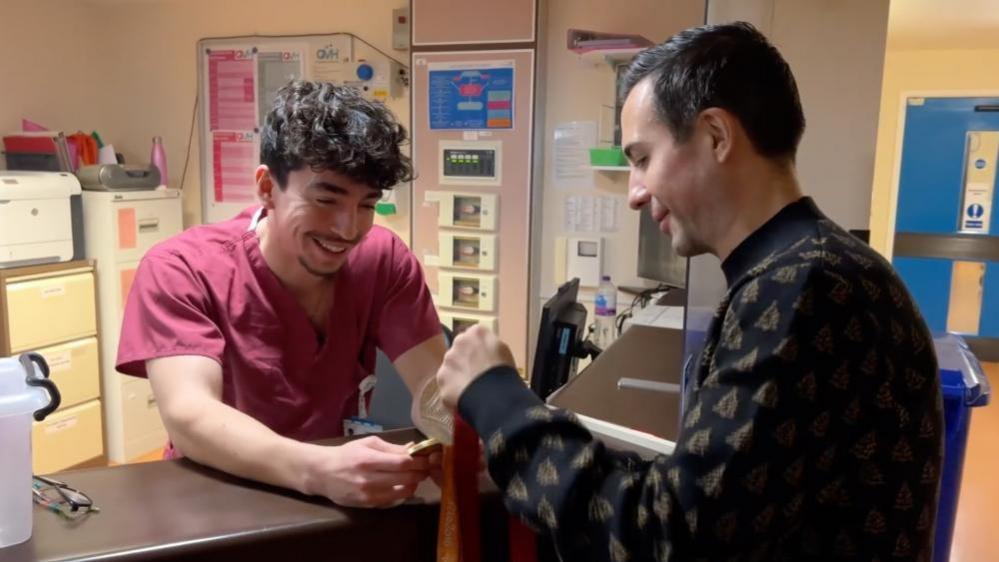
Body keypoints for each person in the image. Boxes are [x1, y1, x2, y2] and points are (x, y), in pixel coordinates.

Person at [436, 22, 944, 561]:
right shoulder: (808, 269)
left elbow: (666, 539)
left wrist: (495, 397)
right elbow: (715, 504)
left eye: (642, 158)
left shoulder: (802, 287)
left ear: (717, 136)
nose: (635, 193)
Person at [117, 81, 445, 508]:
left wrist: (475, 423)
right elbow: (190, 414)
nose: (348, 229)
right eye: (326, 199)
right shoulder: (183, 270)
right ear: (267, 188)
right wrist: (317, 470)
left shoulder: (382, 261)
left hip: (336, 495)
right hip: (220, 494)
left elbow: (434, 388)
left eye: (367, 205)